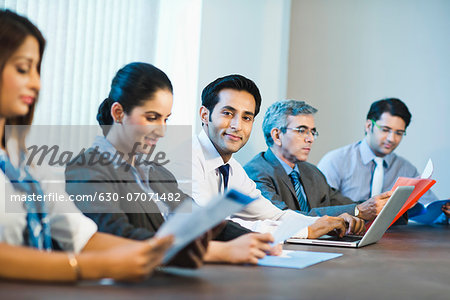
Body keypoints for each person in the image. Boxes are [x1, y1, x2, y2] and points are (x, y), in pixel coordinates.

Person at [0, 9, 176, 282]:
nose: (36, 83)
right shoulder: (87, 168)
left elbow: (82, 236)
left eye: (37, 70)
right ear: (119, 113)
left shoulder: (24, 166)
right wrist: (89, 267)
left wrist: (169, 252)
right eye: (23, 69)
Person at [65, 62, 281, 265]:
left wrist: (256, 241)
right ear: (119, 113)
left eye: (165, 119)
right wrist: (219, 252)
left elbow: (200, 221)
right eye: (152, 118)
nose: (162, 130)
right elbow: (120, 238)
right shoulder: (85, 170)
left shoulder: (155, 172)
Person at [192, 75, 365, 239]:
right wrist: (307, 230)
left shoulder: (232, 168)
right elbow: (209, 226)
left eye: (246, 117)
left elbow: (275, 216)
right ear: (204, 115)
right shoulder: (187, 157)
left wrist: (327, 224)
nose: (238, 125)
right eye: (228, 113)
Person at [244, 100, 389, 222]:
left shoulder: (312, 172)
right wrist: (357, 211)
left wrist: (384, 207)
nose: (310, 139)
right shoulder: (255, 173)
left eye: (312, 132)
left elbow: (344, 204)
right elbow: (286, 219)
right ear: (277, 135)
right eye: (302, 130)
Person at [318, 98, 446, 223]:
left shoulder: (406, 169)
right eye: (385, 130)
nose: (392, 138)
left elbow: (430, 208)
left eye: (399, 133)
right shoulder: (336, 161)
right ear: (369, 126)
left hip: (394, 239)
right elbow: (321, 209)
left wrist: (445, 212)